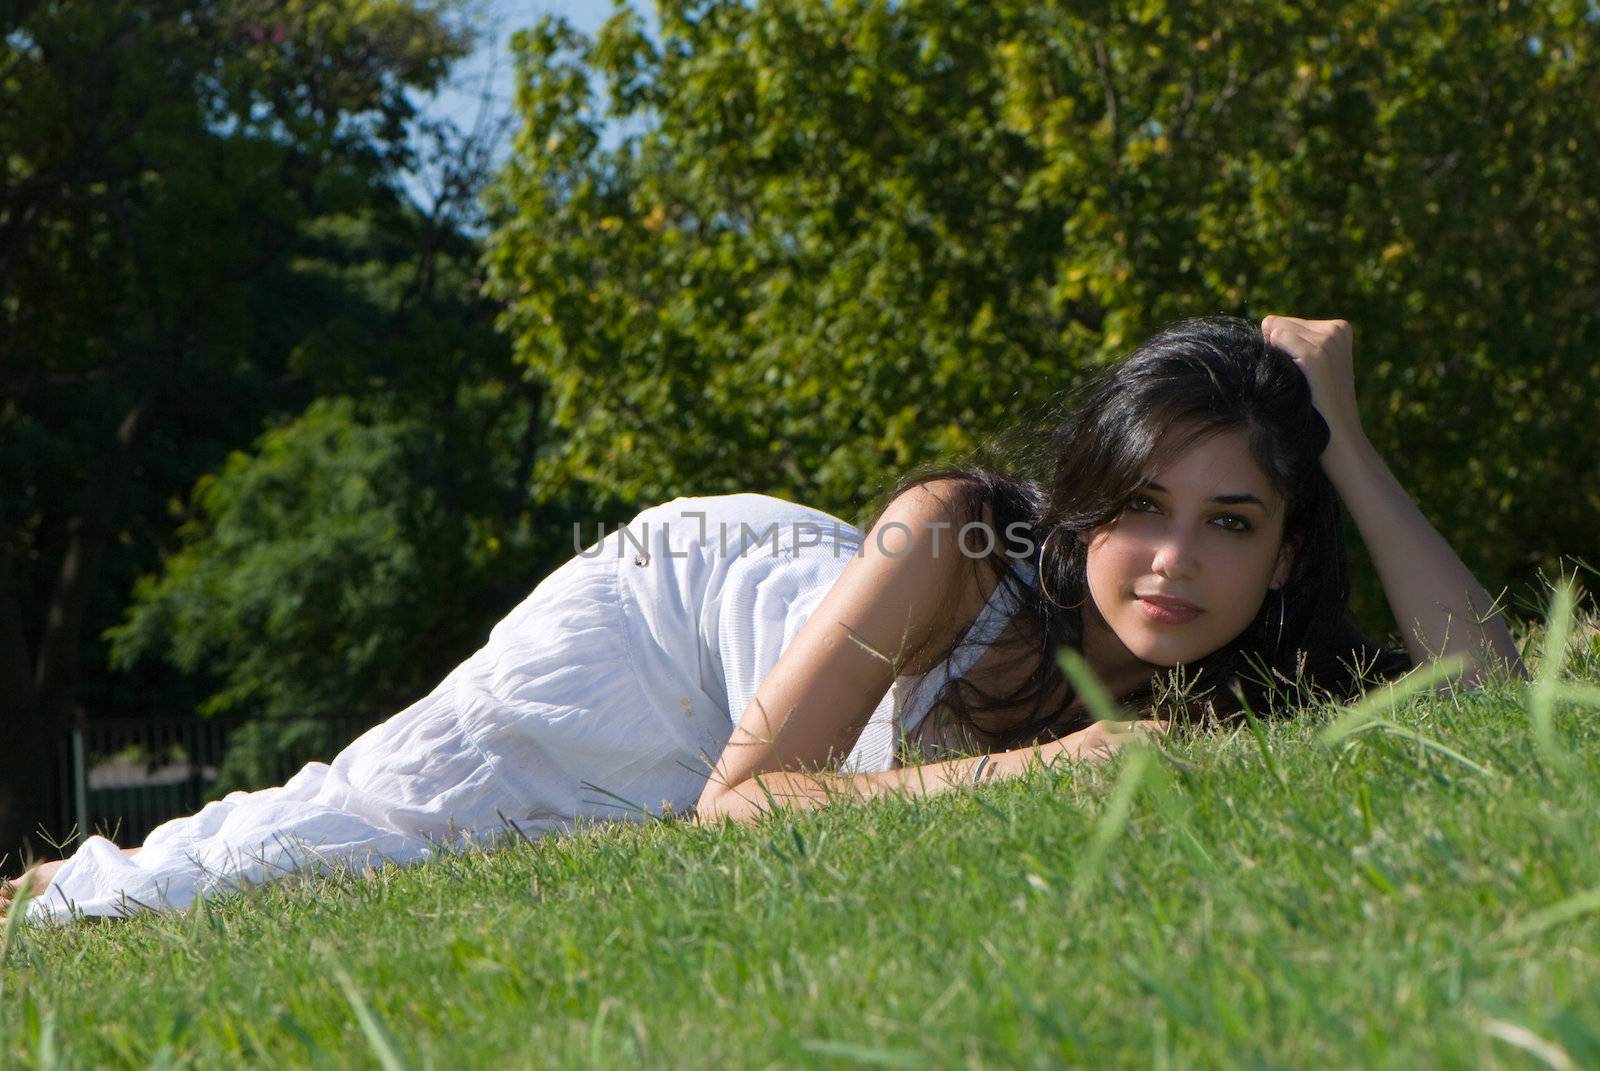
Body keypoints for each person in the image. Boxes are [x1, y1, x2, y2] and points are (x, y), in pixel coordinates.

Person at [3, 314, 1524, 922]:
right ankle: (59, 897)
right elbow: (739, 810)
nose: (1173, 563)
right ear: (1081, 505)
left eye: (1233, 524)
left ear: (1280, 553)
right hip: (666, 633)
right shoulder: (960, 533)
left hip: (811, 699)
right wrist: (1045, 775)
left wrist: (1344, 438)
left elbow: (1491, 714)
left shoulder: (1249, 672)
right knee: (364, 833)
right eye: (1141, 508)